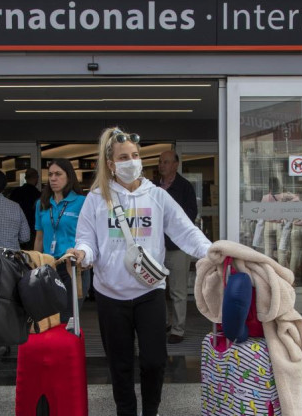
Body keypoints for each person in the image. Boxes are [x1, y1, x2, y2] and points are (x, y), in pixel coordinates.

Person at [68, 127, 211, 416]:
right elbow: (86, 239)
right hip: (110, 295)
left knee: (154, 361)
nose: (131, 161)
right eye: (123, 157)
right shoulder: (97, 199)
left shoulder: (156, 196)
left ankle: (151, 411)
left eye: (135, 155)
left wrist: (213, 253)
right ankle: (126, 412)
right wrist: (82, 254)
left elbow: (186, 231)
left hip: (150, 292)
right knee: (119, 364)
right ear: (111, 164)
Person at [153, 150, 198, 344]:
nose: (162, 165)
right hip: (156, 247)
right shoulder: (153, 188)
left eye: (166, 162)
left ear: (176, 164)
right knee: (156, 287)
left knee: (178, 291)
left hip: (178, 247)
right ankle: (162, 323)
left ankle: (178, 330)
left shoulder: (185, 187)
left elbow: (190, 215)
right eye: (160, 162)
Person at [33, 158, 86, 321]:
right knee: (49, 317)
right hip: (49, 266)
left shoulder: (81, 202)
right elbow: (39, 238)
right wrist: (35, 264)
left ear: (69, 177)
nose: (53, 178)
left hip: (72, 266)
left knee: (69, 317)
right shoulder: (42, 203)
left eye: (58, 174)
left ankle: (69, 345)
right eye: (50, 175)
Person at [10, 167, 41, 249]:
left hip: (15, 230)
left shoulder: (16, 192)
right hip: (33, 231)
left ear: (25, 178)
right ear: (36, 178)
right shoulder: (38, 195)